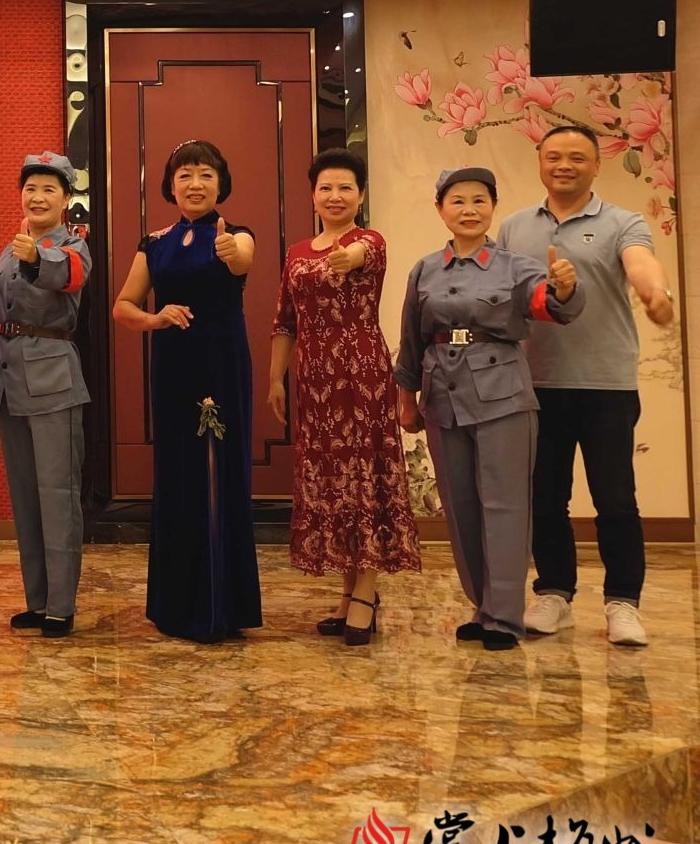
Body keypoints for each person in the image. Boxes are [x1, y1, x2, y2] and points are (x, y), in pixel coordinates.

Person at [499, 124, 675, 648]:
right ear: (540, 162)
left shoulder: (623, 221)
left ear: (596, 165)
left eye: (577, 157)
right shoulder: (513, 227)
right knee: (544, 498)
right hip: (534, 384)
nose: (564, 165)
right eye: (554, 156)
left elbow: (641, 264)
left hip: (606, 386)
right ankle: (554, 593)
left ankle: (623, 603)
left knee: (615, 500)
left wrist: (656, 294)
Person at [395, 167, 582, 651]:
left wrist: (563, 288)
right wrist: (407, 399)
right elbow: (411, 339)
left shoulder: (516, 266)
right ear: (440, 210)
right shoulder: (424, 269)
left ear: (493, 208)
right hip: (442, 396)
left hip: (503, 397)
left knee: (505, 505)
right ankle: (482, 606)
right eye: (457, 201)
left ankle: (504, 617)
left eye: (480, 200)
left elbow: (546, 305)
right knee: (460, 506)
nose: (469, 210)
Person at [266, 150, 421, 649]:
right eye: (326, 188)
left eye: (345, 188)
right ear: (313, 195)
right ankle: (349, 592)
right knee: (333, 481)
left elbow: (360, 256)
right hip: (313, 380)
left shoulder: (369, 241)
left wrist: (347, 257)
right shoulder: (295, 253)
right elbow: (284, 322)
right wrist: (275, 380)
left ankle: (367, 591)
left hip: (362, 376)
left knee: (364, 476)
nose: (335, 196)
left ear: (361, 195)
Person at [111, 139, 262, 643]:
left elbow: (243, 260)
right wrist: (156, 318)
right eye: (185, 175)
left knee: (222, 471)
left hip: (222, 365)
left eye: (205, 175)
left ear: (221, 184)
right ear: (170, 185)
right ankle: (176, 607)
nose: (195, 184)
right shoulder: (154, 242)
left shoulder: (236, 233)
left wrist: (231, 252)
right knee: (177, 474)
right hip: (173, 367)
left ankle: (223, 607)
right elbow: (123, 306)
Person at [0, 153, 91, 639]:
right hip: (9, 382)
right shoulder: (8, 249)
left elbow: (70, 275)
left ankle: (61, 606)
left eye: (49, 190)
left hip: (54, 382)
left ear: (65, 200)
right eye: (30, 189)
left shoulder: (73, 245)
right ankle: (38, 601)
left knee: (58, 496)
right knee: (25, 498)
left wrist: (36, 257)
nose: (38, 197)